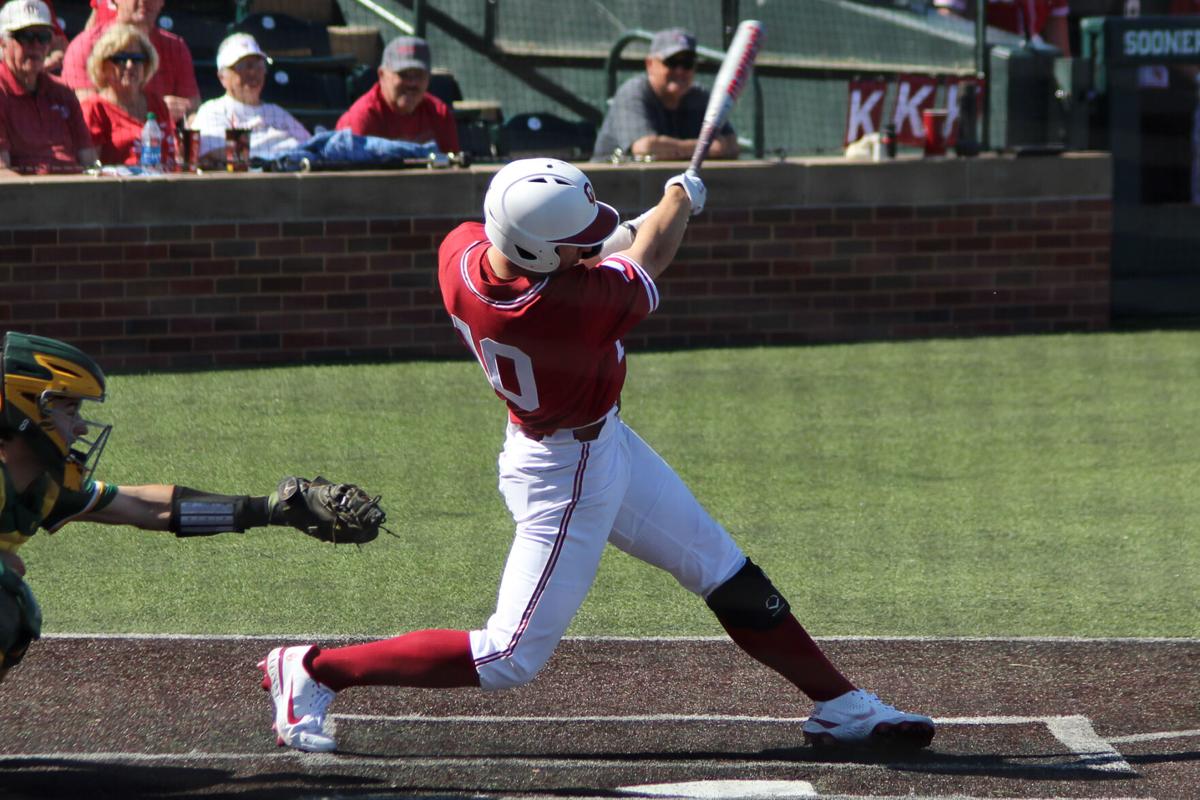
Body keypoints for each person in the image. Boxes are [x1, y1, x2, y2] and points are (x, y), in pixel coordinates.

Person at [257, 160, 936, 754]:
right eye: (573, 246)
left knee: (724, 570)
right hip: (564, 476)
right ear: (542, 256)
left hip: (599, 443)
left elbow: (589, 250)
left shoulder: (463, 251)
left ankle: (841, 706)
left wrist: (600, 237)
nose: (585, 250)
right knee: (509, 655)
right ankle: (314, 670)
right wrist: (677, 197)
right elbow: (649, 255)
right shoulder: (563, 309)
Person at [0, 330, 385, 683]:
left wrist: (270, 509)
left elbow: (150, 509)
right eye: (69, 410)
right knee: (7, 598)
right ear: (29, 407)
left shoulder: (44, 486)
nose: (82, 427)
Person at [591, 27, 738, 163]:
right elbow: (645, 148)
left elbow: (731, 144)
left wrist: (673, 148)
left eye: (687, 63)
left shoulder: (700, 96)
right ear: (650, 64)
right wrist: (707, 147)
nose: (680, 71)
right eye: (671, 62)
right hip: (609, 185)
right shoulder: (633, 92)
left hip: (665, 183)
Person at [60, 0, 198, 123]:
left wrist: (185, 110)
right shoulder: (84, 45)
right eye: (119, 59)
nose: (144, 1)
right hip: (104, 146)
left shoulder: (176, 47)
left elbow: (194, 106)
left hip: (161, 144)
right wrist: (156, 110)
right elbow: (86, 112)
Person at [0, 0, 96, 175]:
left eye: (43, 37)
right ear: (2, 42)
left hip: (78, 193)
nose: (36, 45)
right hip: (26, 196)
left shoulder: (63, 92)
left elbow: (89, 161)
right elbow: (2, 174)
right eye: (25, 36)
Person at [190, 33, 310, 167]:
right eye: (243, 66)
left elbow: (310, 146)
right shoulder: (212, 110)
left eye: (259, 65)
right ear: (222, 77)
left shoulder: (276, 111)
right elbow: (217, 152)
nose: (253, 73)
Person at [336, 35, 459, 154]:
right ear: (381, 75)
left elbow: (453, 166)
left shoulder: (439, 113)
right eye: (403, 74)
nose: (412, 83)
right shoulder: (362, 118)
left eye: (419, 74)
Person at [79, 23, 173, 165]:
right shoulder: (94, 109)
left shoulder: (157, 104)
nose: (129, 65)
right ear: (102, 65)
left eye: (137, 59)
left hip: (166, 183)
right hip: (119, 186)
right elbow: (91, 168)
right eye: (120, 59)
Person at [934, 0, 1072, 56]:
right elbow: (947, 25)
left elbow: (1062, 56)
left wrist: (1062, 93)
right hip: (979, 71)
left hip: (1032, 72)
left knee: (1062, 96)